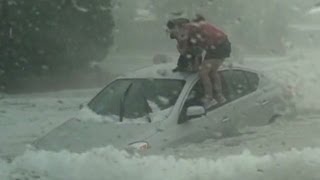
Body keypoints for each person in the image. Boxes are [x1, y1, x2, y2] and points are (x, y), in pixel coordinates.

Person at [167, 15, 231, 108]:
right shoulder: (192, 31)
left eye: (176, 29)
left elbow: (194, 51)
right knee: (212, 72)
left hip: (219, 45)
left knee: (203, 73)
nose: (176, 35)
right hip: (220, 44)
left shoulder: (191, 29)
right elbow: (192, 51)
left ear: (182, 26)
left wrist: (182, 42)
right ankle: (219, 96)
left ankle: (210, 97)